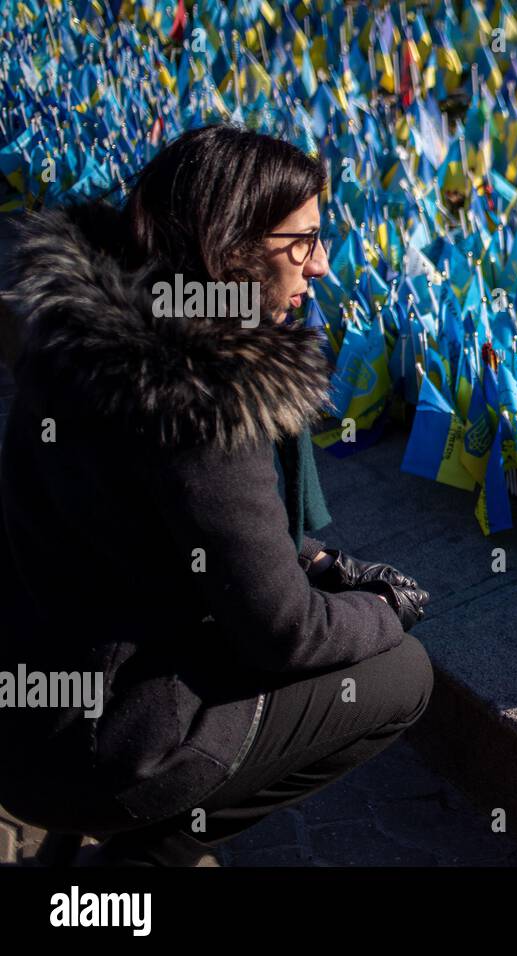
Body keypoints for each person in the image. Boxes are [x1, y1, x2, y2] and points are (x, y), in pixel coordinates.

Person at [0, 125, 434, 866]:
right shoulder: (202, 399)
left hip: (25, 710)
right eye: (301, 242)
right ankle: (137, 868)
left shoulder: (79, 333)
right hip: (103, 747)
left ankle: (71, 848)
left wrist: (317, 559)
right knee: (401, 675)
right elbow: (284, 632)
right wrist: (381, 609)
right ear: (230, 248)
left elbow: (174, 528)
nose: (321, 264)